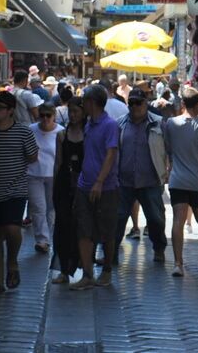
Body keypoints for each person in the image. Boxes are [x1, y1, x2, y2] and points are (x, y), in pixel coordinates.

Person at [0, 91, 39, 295]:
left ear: (11, 111)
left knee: (13, 229)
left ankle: (12, 262)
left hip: (15, 189)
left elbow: (32, 156)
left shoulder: (23, 132)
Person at [71, 84, 120, 290]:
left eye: (85, 102)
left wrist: (100, 181)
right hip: (84, 185)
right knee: (84, 230)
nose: (83, 105)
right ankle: (88, 274)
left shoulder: (110, 125)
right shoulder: (89, 124)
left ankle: (107, 270)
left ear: (93, 103)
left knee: (107, 231)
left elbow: (111, 154)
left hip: (106, 188)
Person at [163, 87, 198, 277]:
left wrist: (169, 167)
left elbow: (168, 149)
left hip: (177, 180)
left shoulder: (170, 124)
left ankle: (178, 264)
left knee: (178, 220)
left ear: (182, 104)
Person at [113, 88, 169, 263]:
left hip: (150, 180)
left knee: (155, 218)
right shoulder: (119, 124)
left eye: (138, 102)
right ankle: (111, 253)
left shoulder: (159, 123)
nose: (135, 106)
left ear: (146, 103)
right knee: (118, 218)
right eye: (131, 103)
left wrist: (168, 170)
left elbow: (169, 149)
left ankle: (159, 248)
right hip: (124, 181)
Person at [51, 99, 85, 284]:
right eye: (70, 111)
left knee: (81, 227)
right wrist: (54, 186)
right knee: (63, 226)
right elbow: (58, 162)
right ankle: (64, 269)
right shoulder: (62, 135)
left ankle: (82, 265)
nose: (72, 115)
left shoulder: (89, 134)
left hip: (83, 185)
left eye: (76, 112)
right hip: (64, 185)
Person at [29, 103, 63, 253]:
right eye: (41, 115)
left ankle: (48, 237)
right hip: (33, 174)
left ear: (54, 115)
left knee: (51, 208)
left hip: (53, 175)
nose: (45, 119)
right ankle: (42, 239)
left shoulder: (61, 131)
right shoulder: (31, 130)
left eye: (48, 115)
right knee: (38, 207)